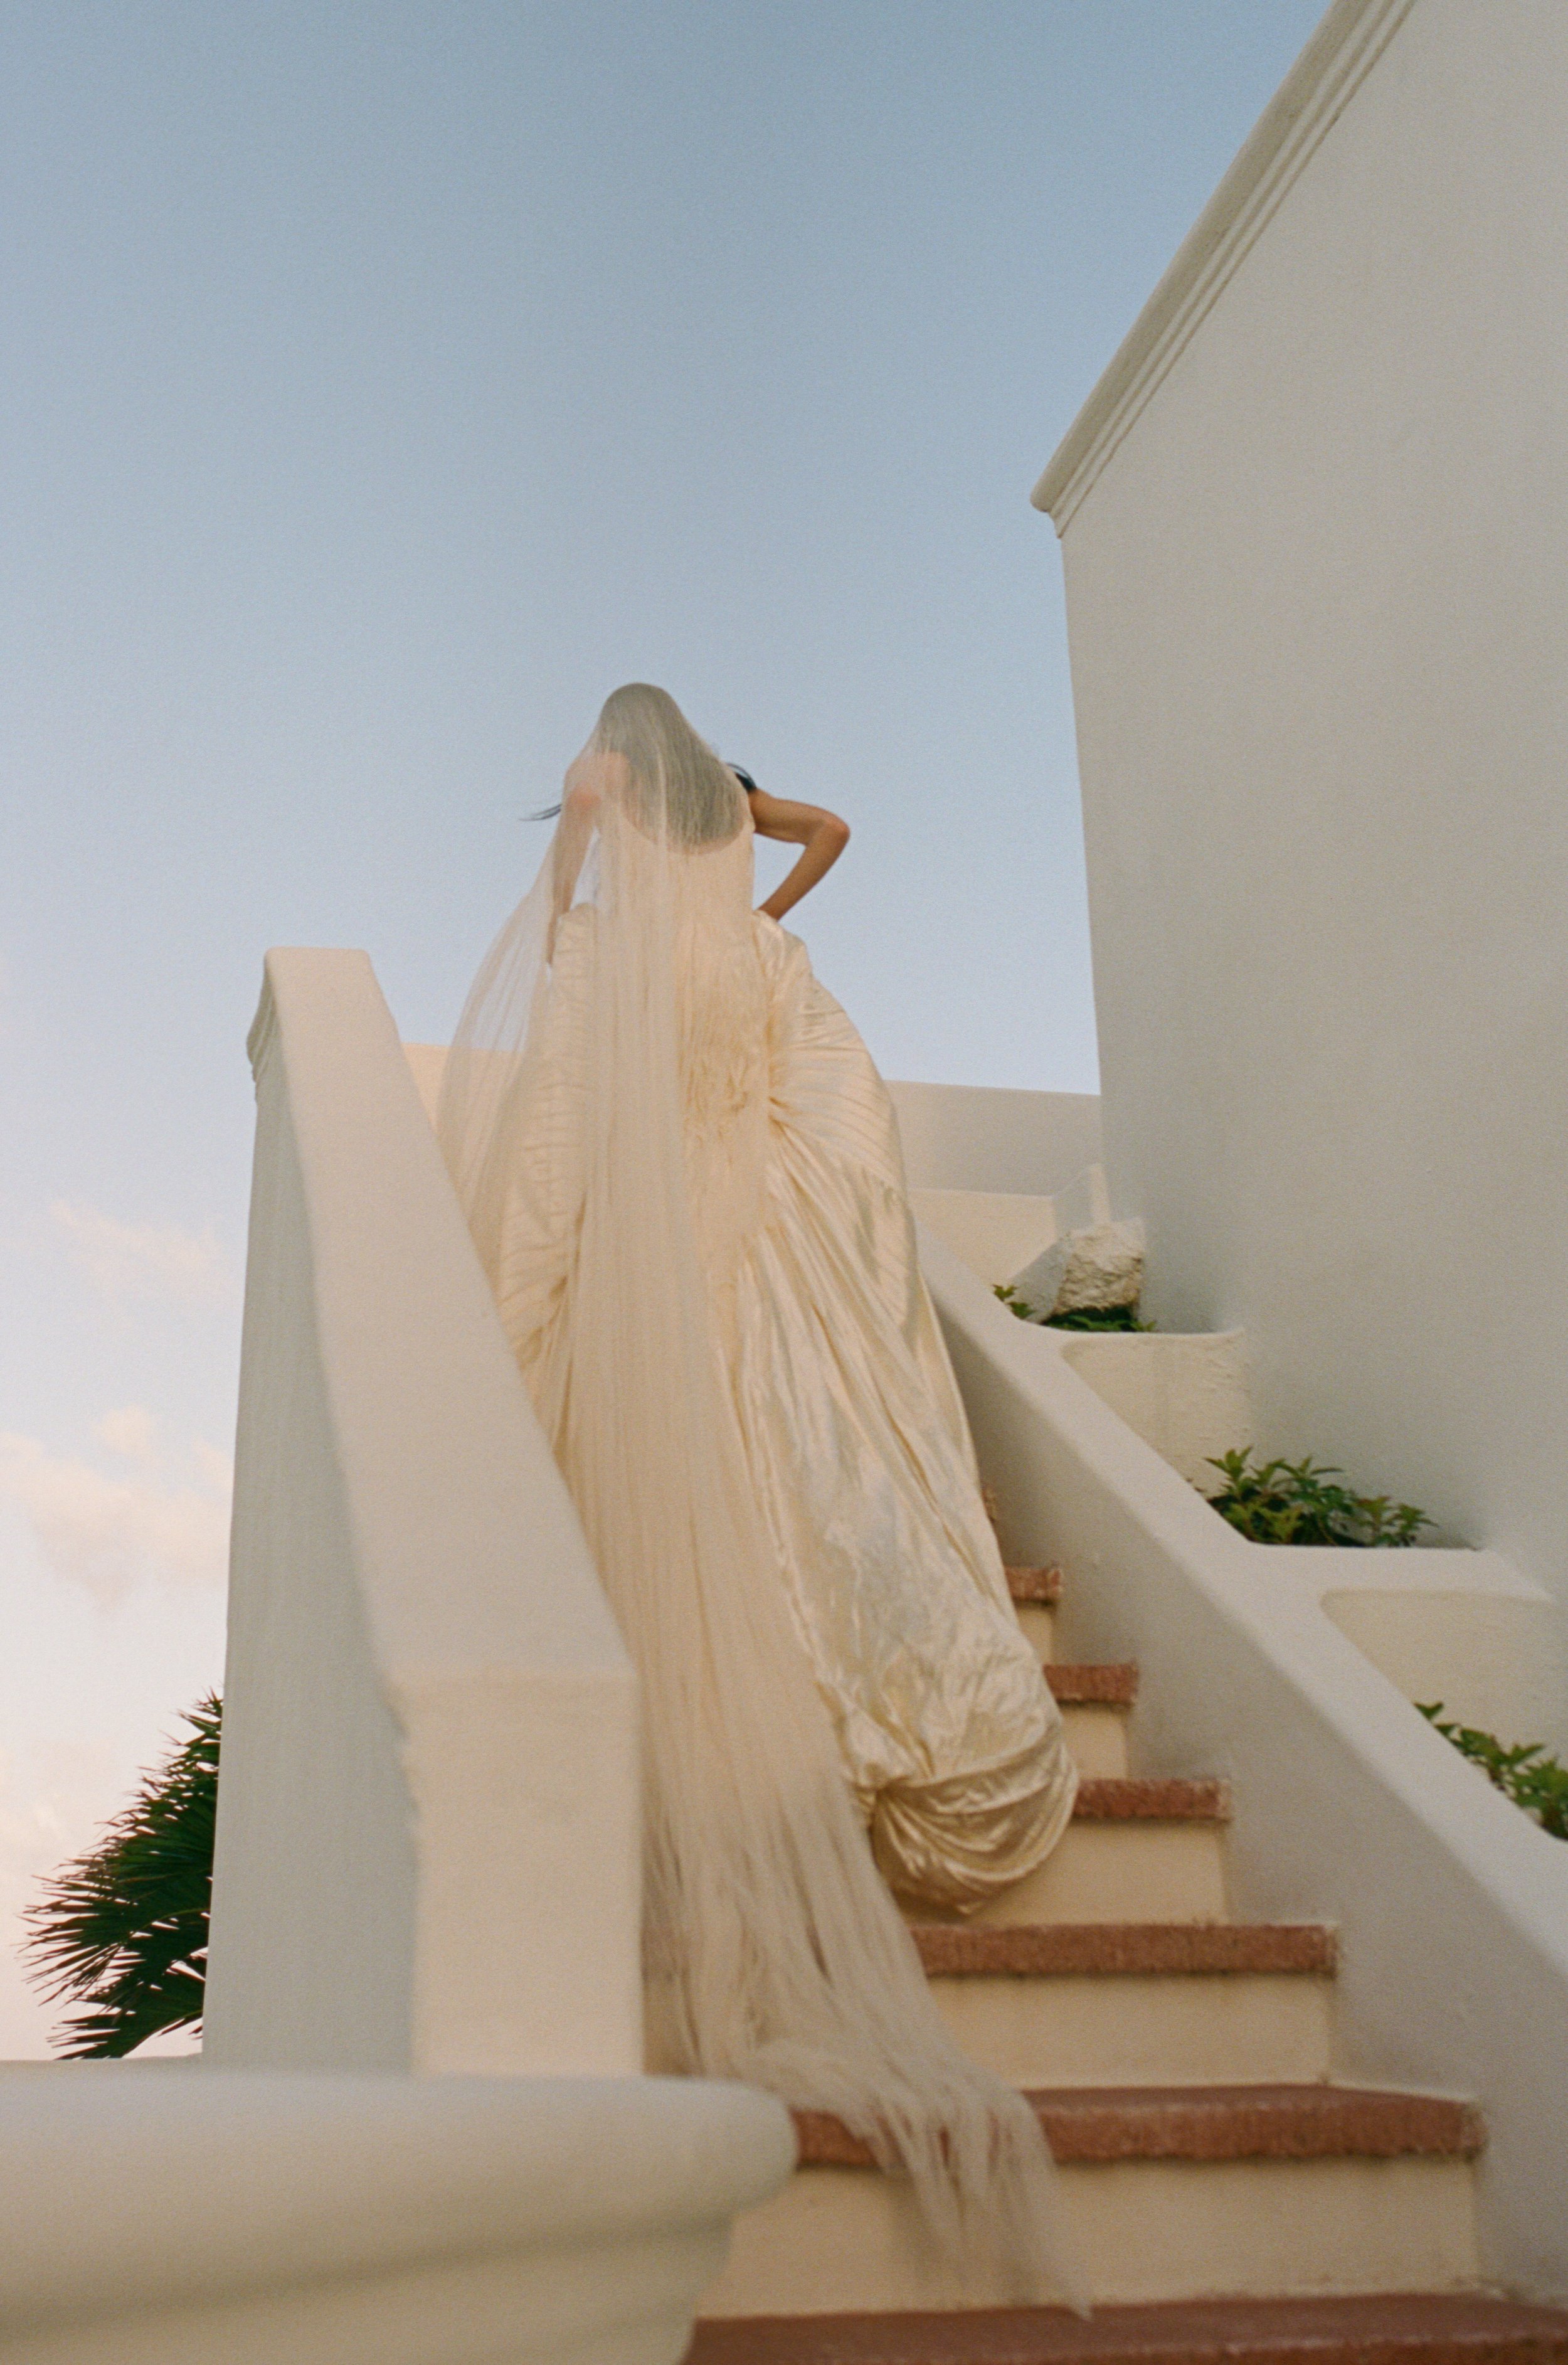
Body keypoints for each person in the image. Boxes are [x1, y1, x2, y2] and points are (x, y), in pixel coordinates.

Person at [439, 684, 1081, 2301]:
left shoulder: (609, 917)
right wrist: (768, 909)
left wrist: (582, 869)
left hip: (674, 1197)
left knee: (717, 1434)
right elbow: (833, 858)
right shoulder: (754, 898)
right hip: (767, 1153)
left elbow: (559, 1098)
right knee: (826, 1438)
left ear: (619, 789)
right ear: (710, 790)